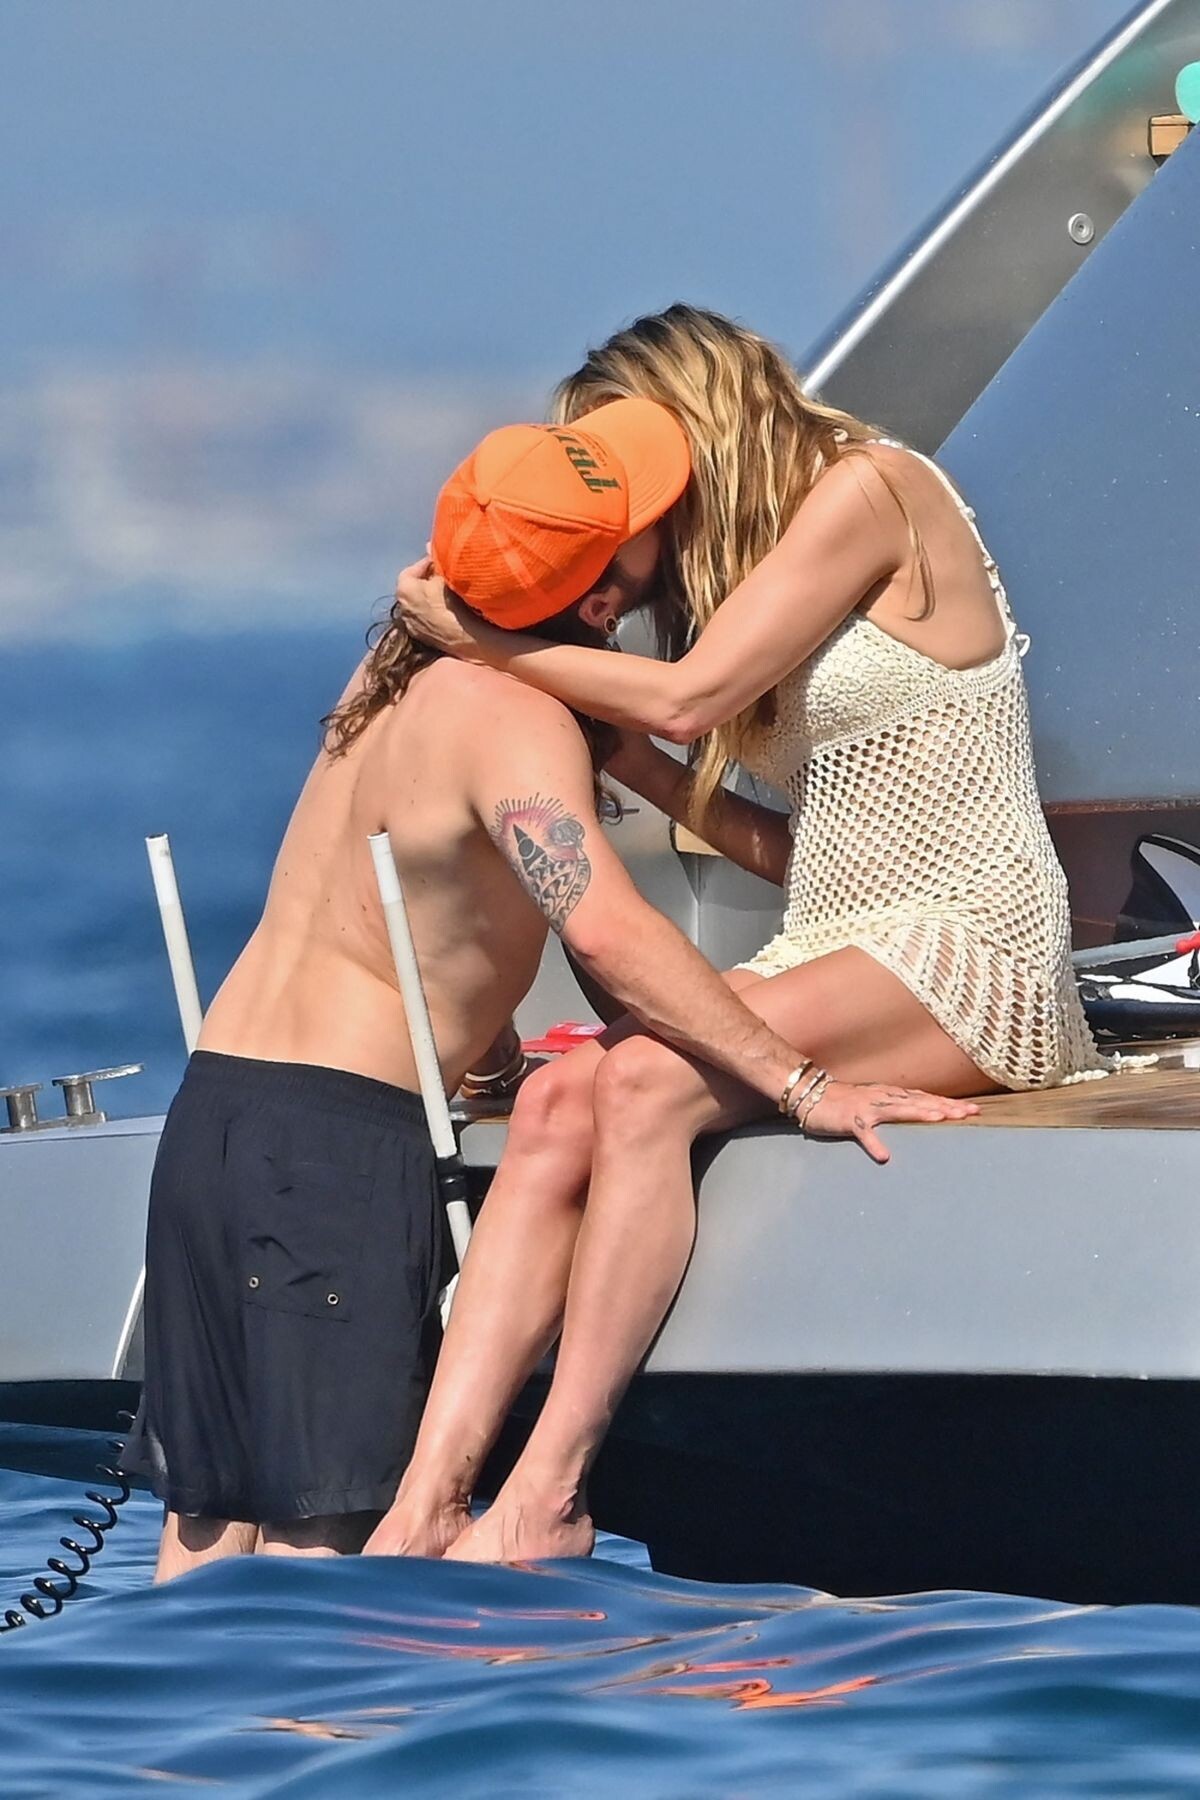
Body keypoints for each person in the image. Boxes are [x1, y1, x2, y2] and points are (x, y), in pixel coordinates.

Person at [121, 394, 966, 1582]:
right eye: (641, 540)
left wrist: (497, 1062)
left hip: (219, 1112)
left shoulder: (390, 676)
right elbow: (608, 930)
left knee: (204, 1548)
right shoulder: (514, 719)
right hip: (333, 1149)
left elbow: (418, 917)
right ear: (601, 600)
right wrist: (801, 1083)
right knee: (328, 1568)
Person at [369, 303, 1103, 1565]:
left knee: (643, 1082)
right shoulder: (748, 573)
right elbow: (796, 847)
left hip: (974, 945)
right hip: (840, 936)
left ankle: (548, 1493)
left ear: (688, 432)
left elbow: (690, 698)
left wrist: (481, 642)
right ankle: (424, 1502)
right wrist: (630, 765)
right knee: (556, 1102)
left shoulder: (874, 489)